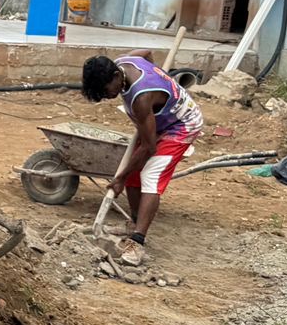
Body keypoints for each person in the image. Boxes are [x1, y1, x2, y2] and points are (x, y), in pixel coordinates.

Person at [80, 51, 205, 253]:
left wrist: (120, 177)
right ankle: (134, 224)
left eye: (106, 90)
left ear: (115, 76)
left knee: (150, 175)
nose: (107, 96)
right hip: (158, 121)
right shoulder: (123, 62)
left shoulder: (142, 97)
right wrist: (160, 76)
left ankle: (137, 242)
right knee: (133, 175)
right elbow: (146, 53)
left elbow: (149, 147)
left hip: (182, 125)